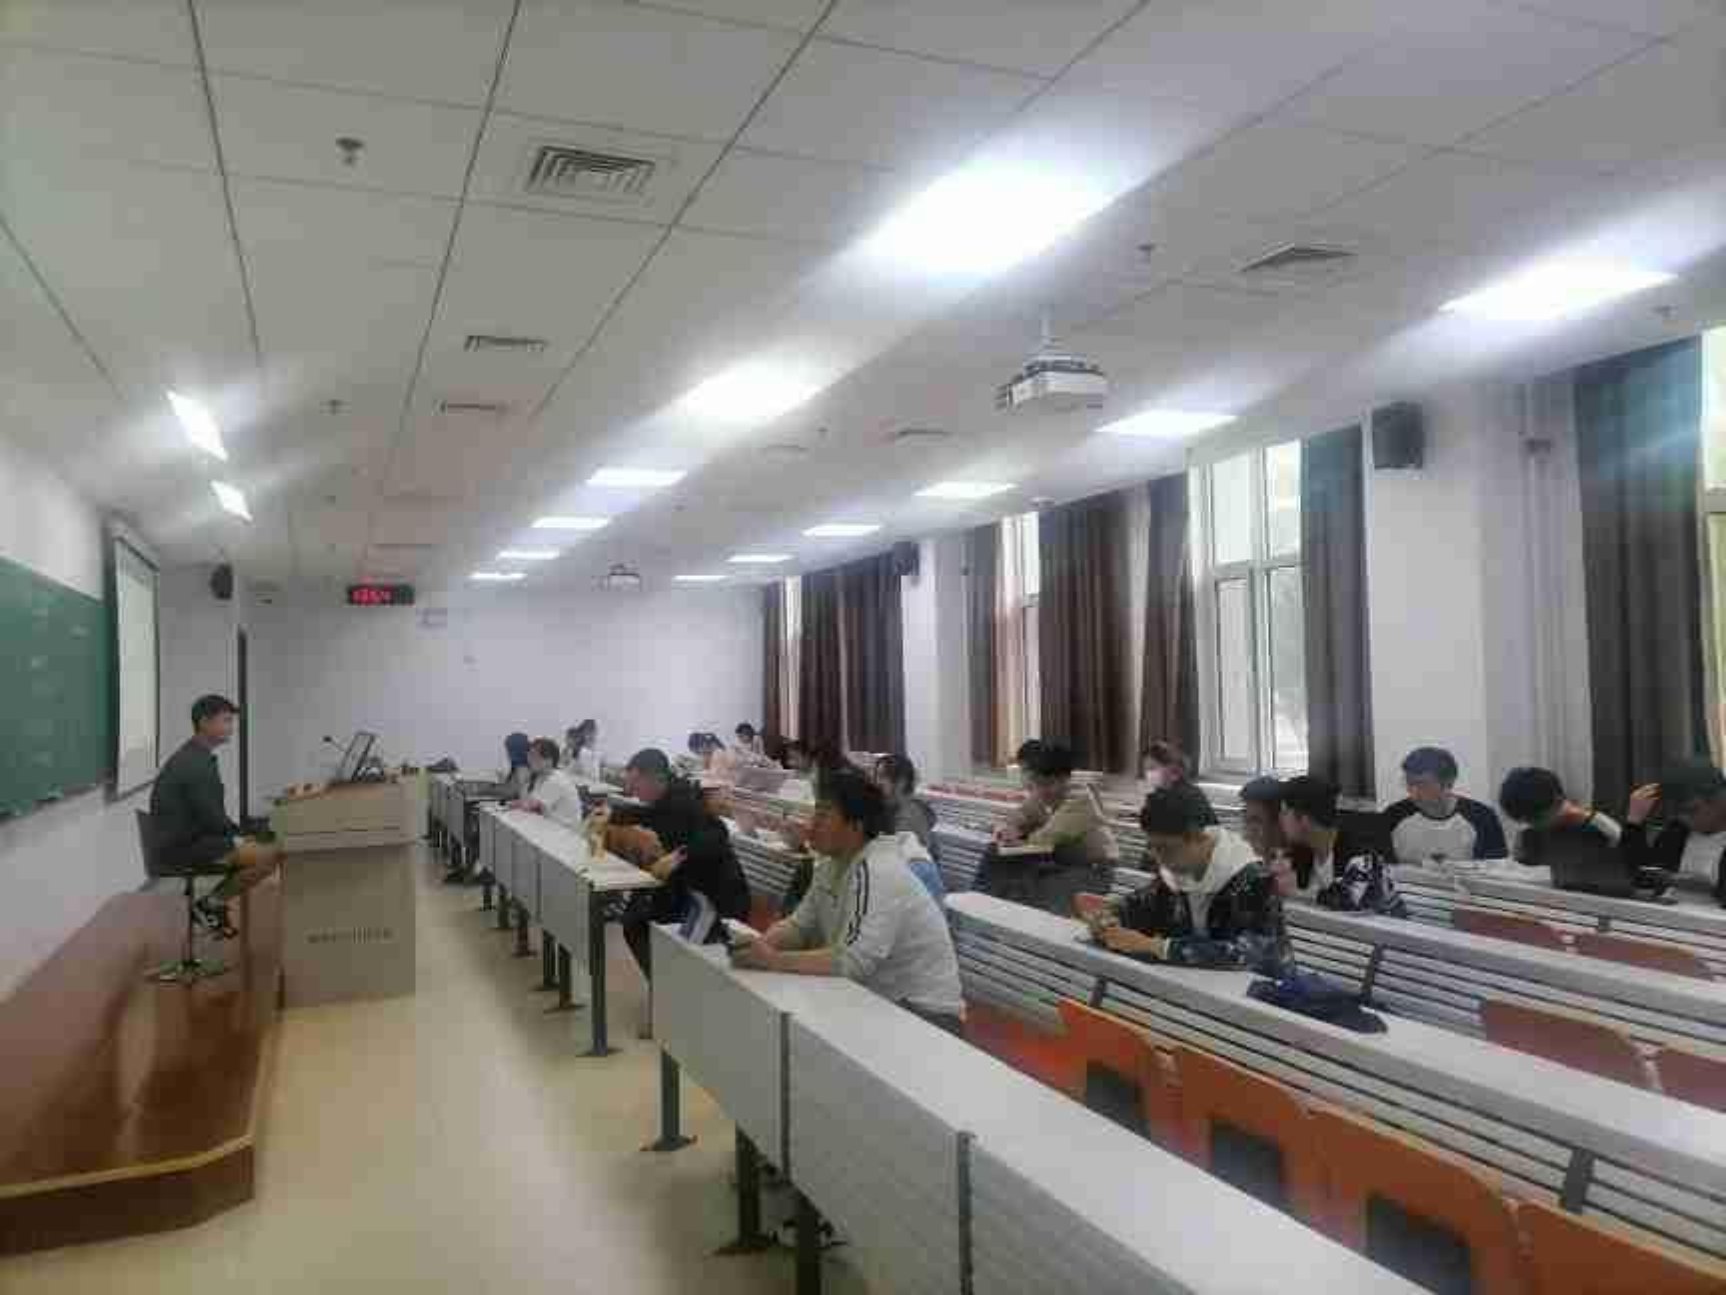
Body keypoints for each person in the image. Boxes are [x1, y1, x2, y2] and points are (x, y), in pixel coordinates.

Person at [731, 768, 965, 1036]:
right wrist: (761, 946)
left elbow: (853, 961)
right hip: (877, 999)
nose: (811, 825)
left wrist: (773, 960)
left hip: (925, 1014)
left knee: (812, 1033)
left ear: (856, 826)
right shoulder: (830, 864)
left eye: (823, 816)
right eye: (814, 814)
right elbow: (799, 927)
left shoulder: (878, 869)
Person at [1085, 782, 1290, 972]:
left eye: (1164, 848)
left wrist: (1157, 947)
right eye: (1153, 848)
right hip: (1194, 986)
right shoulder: (1178, 868)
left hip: (1260, 990)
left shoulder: (1252, 876)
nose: (1159, 858)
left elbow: (1250, 953)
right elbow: (1140, 904)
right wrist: (1108, 916)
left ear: (1196, 836)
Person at [609, 748, 750, 985]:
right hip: (689, 886)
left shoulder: (686, 802)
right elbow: (646, 814)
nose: (631, 790)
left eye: (635, 784)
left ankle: (673, 992)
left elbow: (719, 835)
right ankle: (666, 990)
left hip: (716, 897)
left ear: (656, 778)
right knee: (635, 919)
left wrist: (678, 856)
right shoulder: (666, 799)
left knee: (646, 928)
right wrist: (610, 814)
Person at [148, 694, 279, 935]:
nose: (231, 728)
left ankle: (211, 905)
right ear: (204, 722)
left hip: (188, 839)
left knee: (259, 847)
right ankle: (209, 904)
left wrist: (241, 835)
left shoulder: (195, 755)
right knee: (268, 857)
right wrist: (241, 837)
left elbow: (211, 815)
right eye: (226, 721)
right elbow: (212, 817)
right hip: (185, 847)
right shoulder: (194, 764)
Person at [980, 743, 1118, 914]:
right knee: (999, 863)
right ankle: (985, 910)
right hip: (1063, 865)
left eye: (1049, 784)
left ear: (1066, 778)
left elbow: (1047, 837)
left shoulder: (1081, 799)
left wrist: (1019, 837)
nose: (1044, 790)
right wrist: (1009, 828)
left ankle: (1004, 916)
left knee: (1035, 892)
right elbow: (1021, 814)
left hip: (1093, 873)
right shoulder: (1043, 792)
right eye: (1038, 784)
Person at [1279, 775, 1407, 916]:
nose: (1280, 819)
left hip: (1384, 927)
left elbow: (1351, 900)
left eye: (1284, 812)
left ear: (1304, 819)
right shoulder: (1302, 850)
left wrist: (1298, 892)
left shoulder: (1360, 852)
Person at [1498, 767, 1628, 889]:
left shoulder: (1602, 827)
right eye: (1527, 821)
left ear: (1557, 801)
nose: (1533, 825)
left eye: (1536, 819)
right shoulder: (1532, 835)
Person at [1381, 747, 1508, 865]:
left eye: (1422, 784)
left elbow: (1496, 869)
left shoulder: (1482, 817)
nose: (1413, 792)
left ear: (1448, 783)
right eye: (1409, 783)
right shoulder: (1394, 815)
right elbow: (1382, 866)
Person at [1622, 759, 1726, 903]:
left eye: (1691, 810)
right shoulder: (1677, 831)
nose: (1685, 819)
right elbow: (1639, 877)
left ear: (1720, 799)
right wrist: (1634, 822)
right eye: (1677, 813)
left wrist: (1708, 887)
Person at [1238, 775, 1313, 898]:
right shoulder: (1250, 865)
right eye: (1246, 820)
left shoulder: (1299, 872)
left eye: (1256, 821)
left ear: (1280, 822)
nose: (1247, 833)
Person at [511, 738, 584, 830]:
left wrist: (523, 781)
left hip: (565, 831)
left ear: (549, 760)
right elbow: (526, 800)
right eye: (529, 755)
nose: (529, 760)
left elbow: (528, 805)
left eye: (534, 756)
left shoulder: (556, 780)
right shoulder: (540, 777)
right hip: (549, 825)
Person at [1141, 740, 1218, 823]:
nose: (1149, 774)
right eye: (1147, 769)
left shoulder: (1190, 797)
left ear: (1175, 772)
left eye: (1153, 768)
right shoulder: (1157, 796)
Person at [873, 754, 937, 851]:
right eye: (877, 776)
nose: (877, 782)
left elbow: (893, 851)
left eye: (882, 777)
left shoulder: (909, 814)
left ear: (901, 782)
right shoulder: (890, 807)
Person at [501, 732, 532, 799]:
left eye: (509, 750)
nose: (507, 754)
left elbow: (521, 793)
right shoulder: (517, 767)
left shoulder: (523, 770)